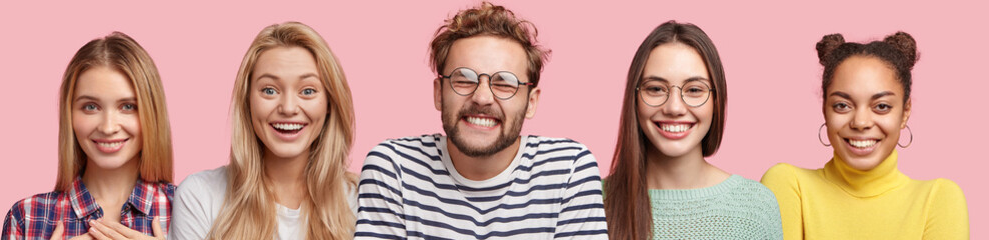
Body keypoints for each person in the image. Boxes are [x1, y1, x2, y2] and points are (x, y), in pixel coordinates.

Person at [354, 2, 608, 239]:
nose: (482, 97)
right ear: (438, 94)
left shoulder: (568, 170)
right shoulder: (394, 168)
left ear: (531, 102)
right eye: (463, 79)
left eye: (504, 82)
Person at [760, 31, 970, 239]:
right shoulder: (788, 184)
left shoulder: (939, 199)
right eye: (842, 105)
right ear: (825, 109)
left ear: (905, 112)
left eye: (881, 106)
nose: (860, 122)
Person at [170, 22, 358, 240]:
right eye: (269, 90)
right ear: (248, 101)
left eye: (307, 91)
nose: (288, 108)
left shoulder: (363, 201)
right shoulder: (199, 196)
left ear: (329, 103)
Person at [602, 21, 781, 239]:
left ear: (716, 101)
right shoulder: (592, 202)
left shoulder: (756, 207)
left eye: (694, 89)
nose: (674, 108)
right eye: (656, 89)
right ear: (635, 99)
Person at [2, 32, 175, 240]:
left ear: (152, 113)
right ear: (70, 115)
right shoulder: (25, 218)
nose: (108, 127)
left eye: (128, 106)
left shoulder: (192, 207)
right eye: (90, 107)